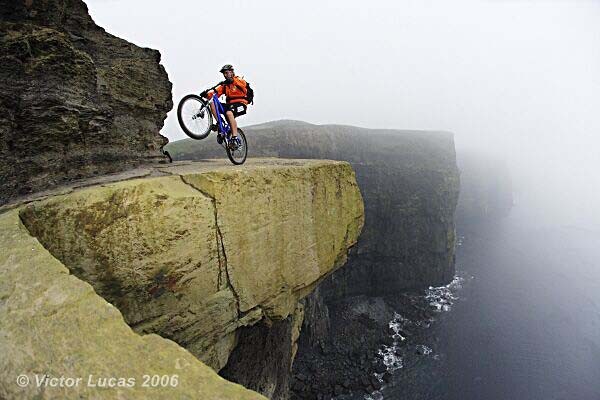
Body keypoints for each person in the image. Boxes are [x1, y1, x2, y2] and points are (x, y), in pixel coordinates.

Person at [201, 64, 252, 148]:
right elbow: (214, 94)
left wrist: (232, 81)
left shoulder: (239, 80)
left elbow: (242, 84)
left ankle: (235, 137)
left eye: (226, 73)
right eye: (224, 73)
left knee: (229, 113)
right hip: (230, 105)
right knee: (212, 102)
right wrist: (206, 95)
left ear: (232, 72)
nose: (225, 75)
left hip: (241, 104)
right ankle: (219, 123)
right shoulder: (225, 86)